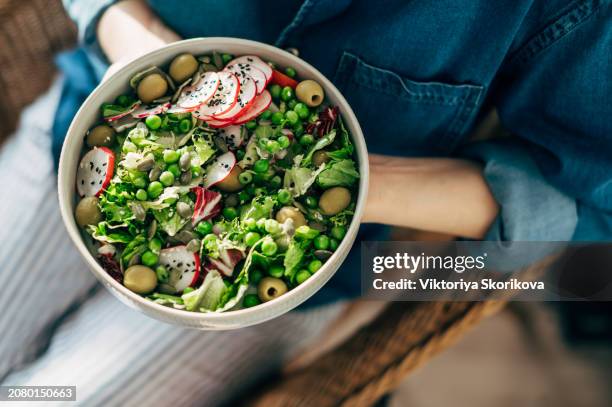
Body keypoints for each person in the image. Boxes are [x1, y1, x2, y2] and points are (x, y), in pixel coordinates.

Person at [0, 0, 610, 405]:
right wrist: (142, 51)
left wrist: (349, 196)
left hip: (284, 287)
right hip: (77, 146)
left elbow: (590, 209)